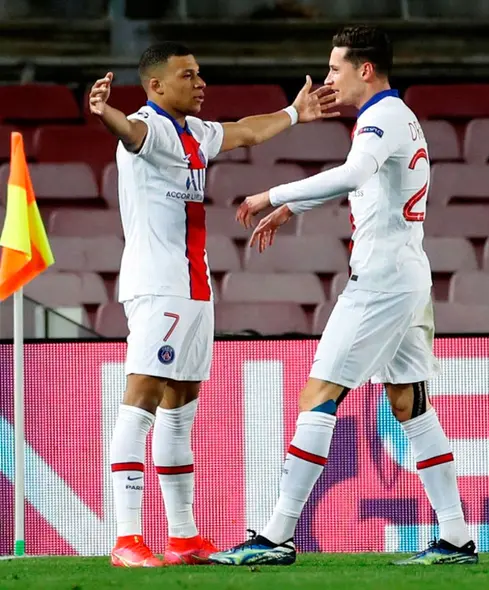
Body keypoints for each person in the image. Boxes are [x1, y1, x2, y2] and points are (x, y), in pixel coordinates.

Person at [208, 25, 477, 567]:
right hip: (407, 273)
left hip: (380, 280)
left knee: (318, 395)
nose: (328, 77)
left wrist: (271, 194)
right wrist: (294, 210)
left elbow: (356, 172)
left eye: (335, 68)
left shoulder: (379, 118)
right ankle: (455, 537)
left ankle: (276, 534)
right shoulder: (394, 116)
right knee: (408, 402)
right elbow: (372, 184)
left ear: (366, 70)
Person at [89, 41, 338, 568]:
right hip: (158, 287)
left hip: (195, 288)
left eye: (200, 74)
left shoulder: (197, 133)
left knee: (180, 413)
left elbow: (247, 130)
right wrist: (104, 111)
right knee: (140, 403)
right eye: (188, 75)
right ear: (156, 85)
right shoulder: (147, 126)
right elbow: (127, 133)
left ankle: (183, 538)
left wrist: (297, 112)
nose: (200, 83)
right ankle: (126, 539)